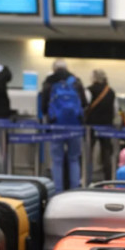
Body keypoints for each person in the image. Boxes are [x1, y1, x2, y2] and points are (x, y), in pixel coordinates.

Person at [41, 59, 88, 193]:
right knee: (74, 159)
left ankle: (58, 191)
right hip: (75, 126)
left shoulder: (49, 81)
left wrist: (49, 116)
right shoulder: (76, 81)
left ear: (54, 69)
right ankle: (74, 190)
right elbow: (84, 103)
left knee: (57, 160)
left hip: (56, 125)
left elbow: (44, 105)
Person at [85, 69, 116, 181]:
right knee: (106, 154)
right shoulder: (110, 91)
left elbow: (84, 106)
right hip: (106, 126)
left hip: (91, 126)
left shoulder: (89, 90)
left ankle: (86, 177)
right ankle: (108, 179)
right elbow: (115, 110)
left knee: (88, 153)